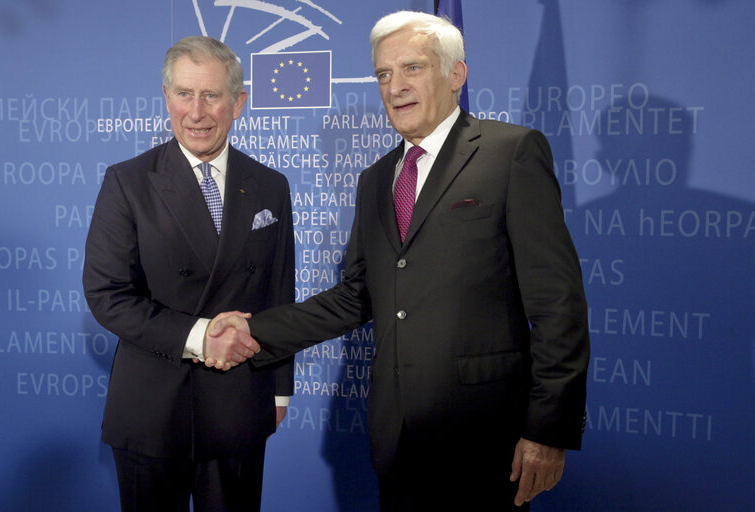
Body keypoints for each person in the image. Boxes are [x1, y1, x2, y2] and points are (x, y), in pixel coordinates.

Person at [211, 10, 590, 511]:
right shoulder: (376, 179)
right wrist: (257, 332)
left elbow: (558, 304)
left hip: (485, 436)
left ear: (456, 75)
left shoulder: (511, 154)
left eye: (413, 68)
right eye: (384, 74)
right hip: (396, 435)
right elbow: (356, 295)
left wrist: (547, 430)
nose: (395, 86)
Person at [82, 36, 293, 511]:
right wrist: (200, 336)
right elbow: (107, 294)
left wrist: (280, 387)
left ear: (238, 103)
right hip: (151, 409)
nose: (195, 112)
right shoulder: (128, 181)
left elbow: (280, 292)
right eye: (183, 94)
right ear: (166, 97)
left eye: (211, 96)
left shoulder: (271, 186)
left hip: (239, 401)